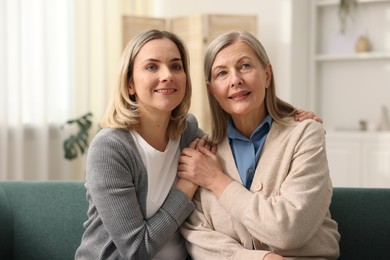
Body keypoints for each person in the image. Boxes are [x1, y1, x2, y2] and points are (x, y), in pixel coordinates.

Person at [75, 29, 322, 260]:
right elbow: (138, 248)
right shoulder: (110, 149)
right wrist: (189, 183)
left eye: (176, 66)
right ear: (130, 83)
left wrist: (289, 114)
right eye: (152, 66)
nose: (167, 75)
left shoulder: (189, 133)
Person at [178, 30, 340, 260]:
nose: (235, 80)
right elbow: (197, 238)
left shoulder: (305, 134)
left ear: (267, 74)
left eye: (245, 66)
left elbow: (288, 230)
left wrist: (217, 181)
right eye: (222, 73)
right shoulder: (202, 153)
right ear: (212, 90)